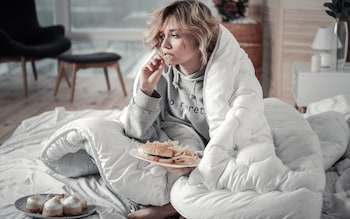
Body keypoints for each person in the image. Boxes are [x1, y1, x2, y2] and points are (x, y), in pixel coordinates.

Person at [123, 0, 264, 218]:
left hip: (211, 148)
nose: (164, 45)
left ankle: (168, 209)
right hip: (175, 140)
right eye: (162, 36)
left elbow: (237, 134)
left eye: (175, 35)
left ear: (198, 37)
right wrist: (145, 89)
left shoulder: (222, 76)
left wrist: (197, 161)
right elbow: (136, 132)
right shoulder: (162, 74)